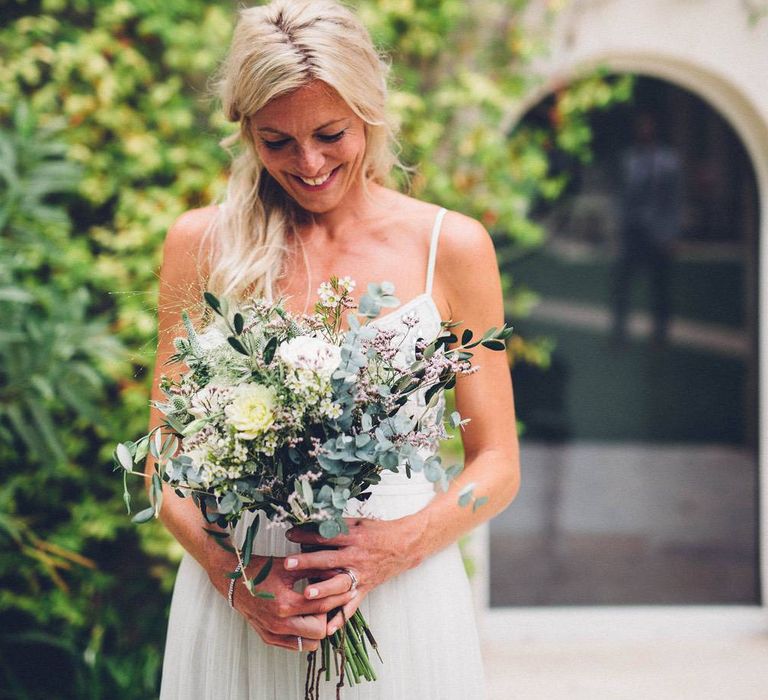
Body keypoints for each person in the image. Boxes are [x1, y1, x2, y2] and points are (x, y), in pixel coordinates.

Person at [148, 2, 520, 698]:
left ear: (370, 116)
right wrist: (235, 579)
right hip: (241, 605)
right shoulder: (200, 245)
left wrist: (394, 548)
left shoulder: (453, 247)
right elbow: (162, 465)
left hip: (401, 603)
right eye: (277, 141)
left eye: (329, 133)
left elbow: (498, 464)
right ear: (245, 131)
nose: (309, 163)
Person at [611, 112, 684, 346]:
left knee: (660, 288)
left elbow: (674, 200)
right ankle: (619, 334)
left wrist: (671, 233)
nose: (644, 131)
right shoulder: (629, 160)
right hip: (632, 231)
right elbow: (621, 197)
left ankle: (660, 335)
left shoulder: (668, 161)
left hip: (658, 233)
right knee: (621, 285)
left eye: (648, 126)